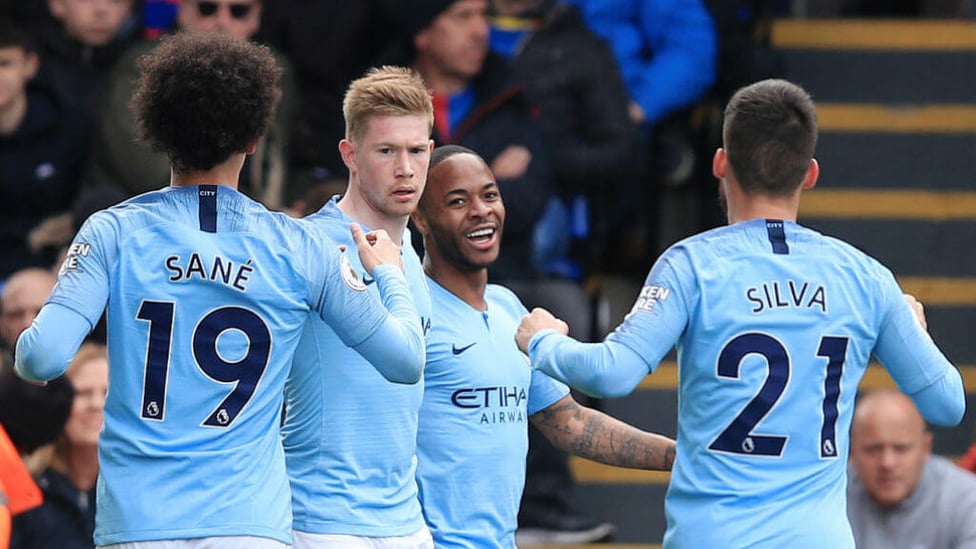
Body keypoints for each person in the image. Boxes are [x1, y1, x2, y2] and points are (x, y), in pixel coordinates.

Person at [515, 78, 966, 548]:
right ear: (809, 174)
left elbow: (611, 375)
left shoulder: (691, 264)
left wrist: (543, 340)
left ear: (720, 163)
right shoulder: (865, 276)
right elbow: (948, 404)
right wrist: (915, 331)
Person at [14, 31, 424, 547]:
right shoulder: (301, 247)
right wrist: (391, 272)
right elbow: (405, 360)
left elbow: (42, 359)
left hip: (141, 521)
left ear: (158, 131)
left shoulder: (113, 232)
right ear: (253, 138)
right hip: (249, 524)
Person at [411, 144, 676, 548]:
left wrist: (680, 456)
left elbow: (572, 423)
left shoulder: (508, 310)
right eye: (457, 201)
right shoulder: (406, 311)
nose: (481, 210)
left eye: (490, 194)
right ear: (420, 218)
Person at [282, 65, 434, 549]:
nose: (405, 168)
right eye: (386, 151)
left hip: (407, 521)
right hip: (321, 521)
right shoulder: (306, 245)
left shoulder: (411, 247)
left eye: (416, 151)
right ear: (350, 154)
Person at [86, 0, 299, 210]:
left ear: (256, 17)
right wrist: (263, 214)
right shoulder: (144, 66)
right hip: (149, 216)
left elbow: (296, 157)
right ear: (183, 11)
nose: (222, 21)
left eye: (238, 11)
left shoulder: (276, 73)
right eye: (207, 8)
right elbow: (145, 172)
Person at [0, 22, 90, 280]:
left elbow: (88, 195)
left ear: (30, 66)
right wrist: (29, 234)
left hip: (53, 271)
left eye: (5, 63)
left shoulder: (66, 127)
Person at [847, 389, 976, 549]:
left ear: (926, 448)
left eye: (901, 449)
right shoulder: (827, 496)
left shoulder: (966, 499)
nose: (888, 463)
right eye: (874, 449)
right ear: (852, 450)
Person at [11, 343, 108, 549]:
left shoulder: (133, 491)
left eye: (107, 393)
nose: (97, 404)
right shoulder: (26, 488)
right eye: (83, 393)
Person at [0, 268, 57, 360]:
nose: (28, 324)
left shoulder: (86, 370)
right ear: (2, 323)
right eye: (16, 315)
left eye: (41, 313)